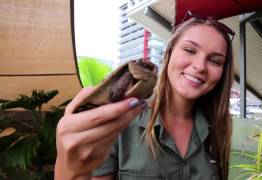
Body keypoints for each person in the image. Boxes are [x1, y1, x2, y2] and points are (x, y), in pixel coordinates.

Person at [55, 13, 234, 180]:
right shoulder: (121, 118)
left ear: (222, 72)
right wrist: (71, 168)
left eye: (214, 61)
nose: (200, 66)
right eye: (189, 50)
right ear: (168, 53)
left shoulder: (219, 128)